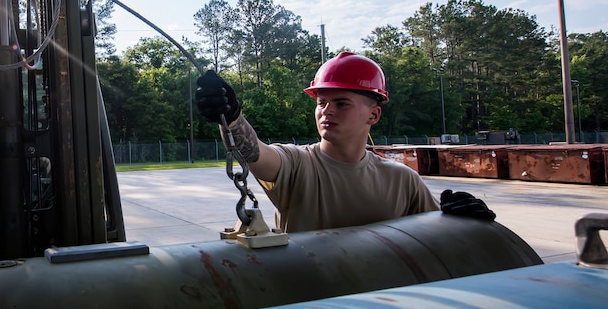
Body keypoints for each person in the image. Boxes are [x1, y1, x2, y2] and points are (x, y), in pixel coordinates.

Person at [196, 52, 493, 233]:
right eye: (321, 102)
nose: (327, 110)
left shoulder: (402, 180)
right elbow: (255, 152)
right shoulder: (298, 165)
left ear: (373, 115)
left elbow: (434, 236)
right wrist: (231, 116)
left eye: (341, 103)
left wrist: (461, 221)